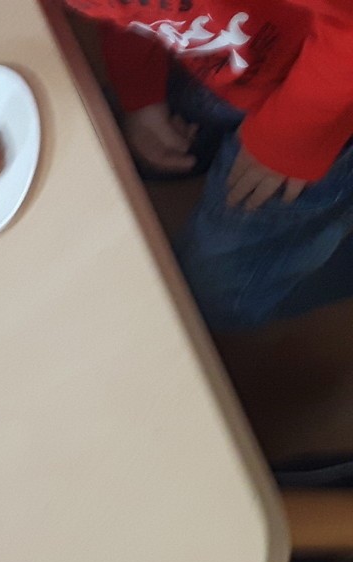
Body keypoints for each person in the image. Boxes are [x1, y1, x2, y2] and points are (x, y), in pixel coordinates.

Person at [76, 0, 353, 329]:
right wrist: (141, 96)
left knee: (209, 299)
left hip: (332, 92)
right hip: (244, 54)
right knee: (102, 137)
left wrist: (285, 138)